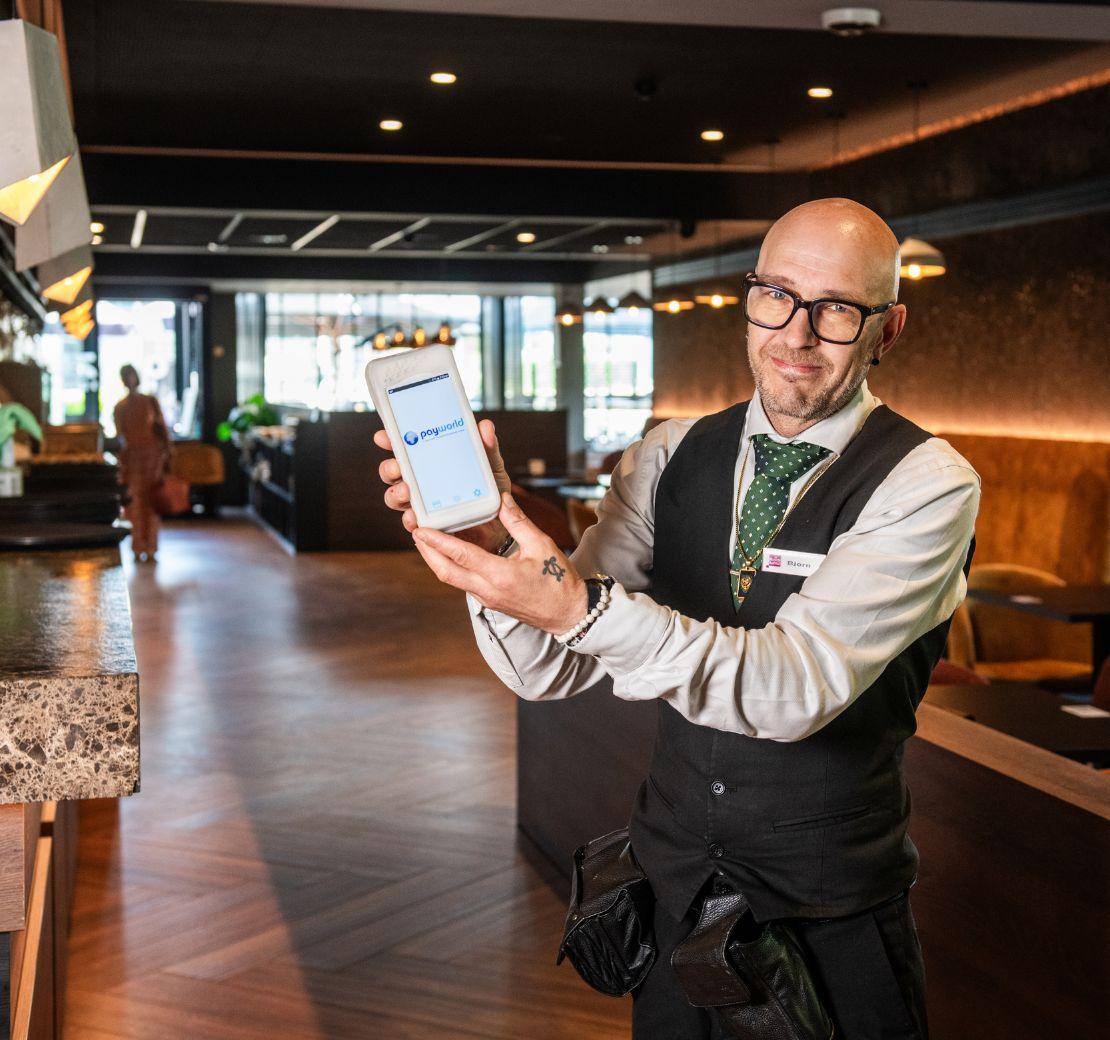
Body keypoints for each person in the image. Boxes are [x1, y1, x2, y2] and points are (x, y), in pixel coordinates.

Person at [374, 197, 980, 1039]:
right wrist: (497, 547)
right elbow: (549, 667)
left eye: (837, 309)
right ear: (749, 298)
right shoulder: (664, 454)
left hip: (831, 918)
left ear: (889, 328)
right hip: (675, 900)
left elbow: (793, 688)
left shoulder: (927, 484)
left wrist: (578, 607)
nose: (797, 335)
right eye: (777, 296)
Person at [113, 364, 171, 563]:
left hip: (152, 458)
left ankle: (151, 546)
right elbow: (120, 436)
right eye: (126, 376)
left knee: (152, 502)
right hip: (132, 460)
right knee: (136, 503)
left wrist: (166, 454)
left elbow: (162, 429)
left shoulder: (150, 401)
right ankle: (138, 546)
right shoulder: (120, 407)